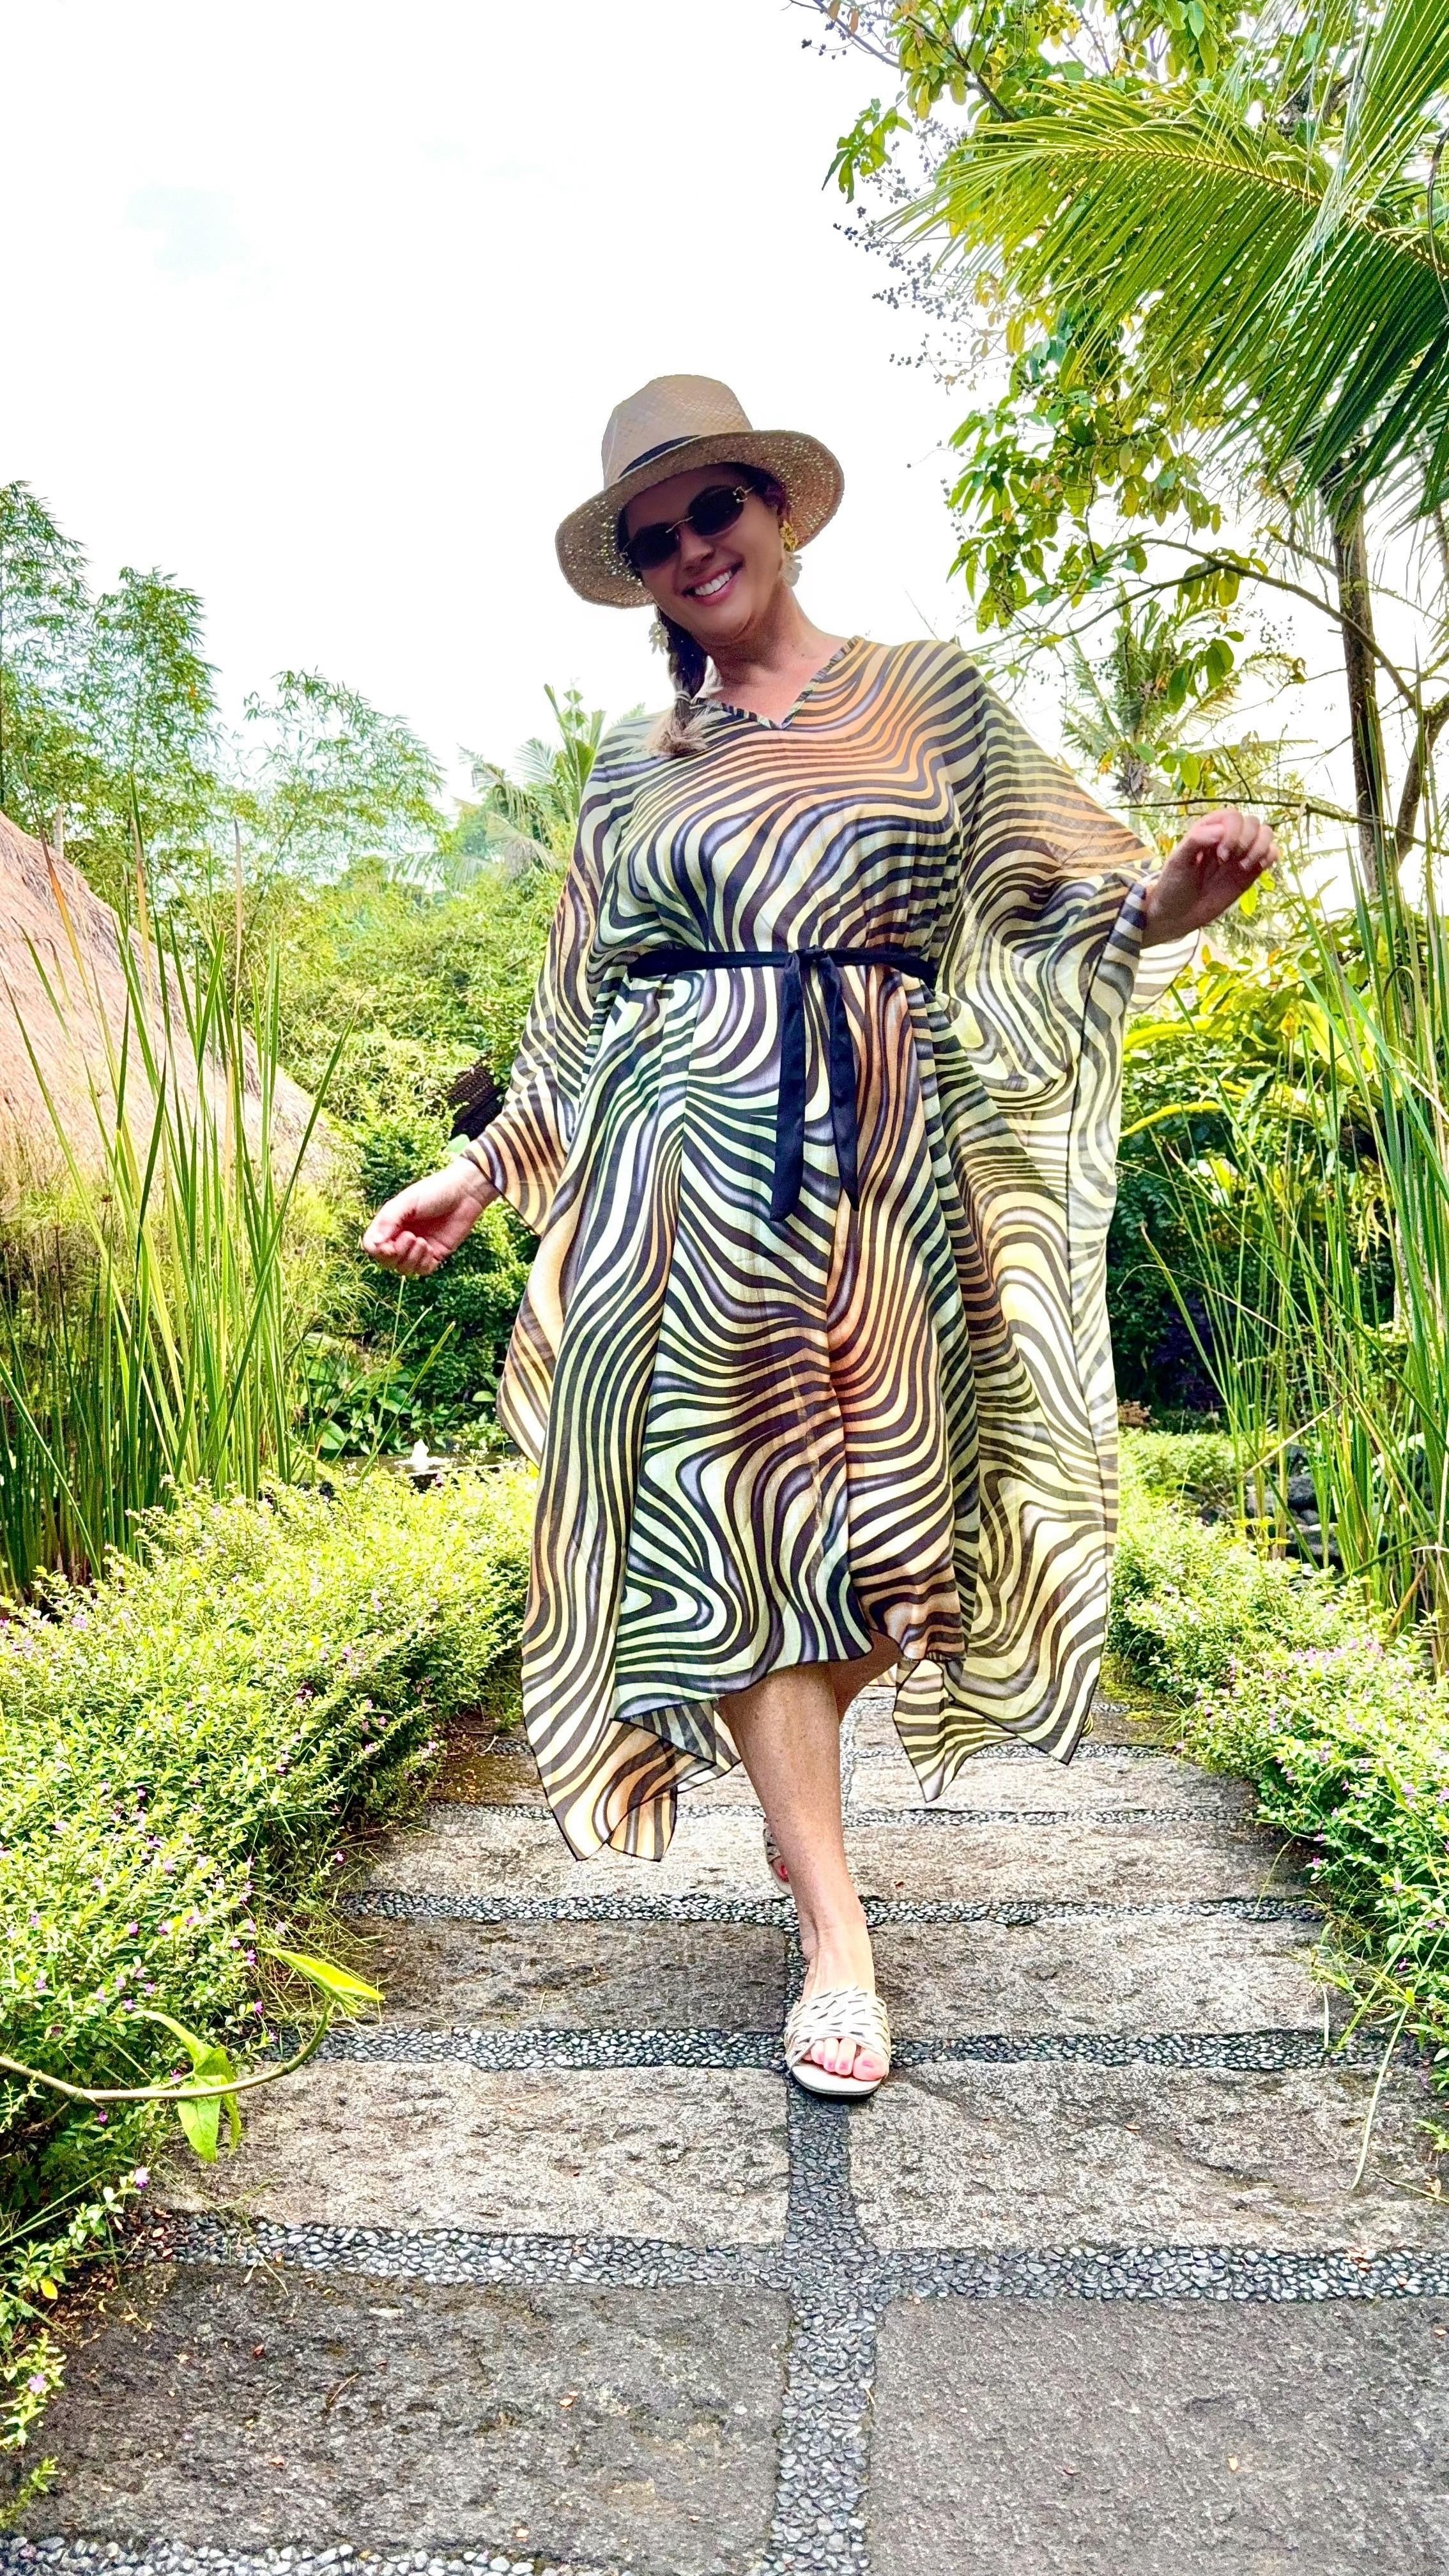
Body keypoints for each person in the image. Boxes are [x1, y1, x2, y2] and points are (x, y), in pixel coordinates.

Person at [363, 375, 1277, 2099]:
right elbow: (575, 1010)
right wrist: (481, 1168)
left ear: (775, 511)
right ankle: (831, 1922)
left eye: (711, 510)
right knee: (739, 1517)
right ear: (638, 577)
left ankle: (798, 1804)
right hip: (686, 1175)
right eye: (653, 539)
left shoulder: (930, 699)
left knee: (893, 1539)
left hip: (882, 1169)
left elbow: (1066, 904)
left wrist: (1180, 897)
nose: (690, 550)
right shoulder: (634, 768)